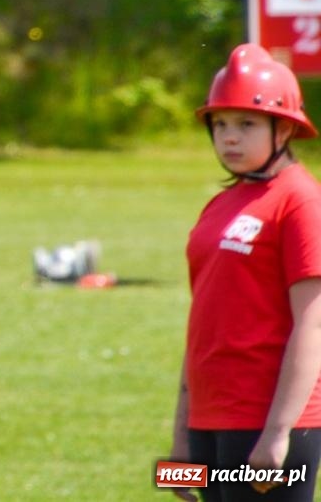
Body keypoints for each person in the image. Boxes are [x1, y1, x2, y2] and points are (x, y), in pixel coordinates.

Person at [167, 44, 321, 502]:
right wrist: (180, 441)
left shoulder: (301, 202)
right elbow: (203, 326)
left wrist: (278, 433)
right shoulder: (220, 205)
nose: (229, 138)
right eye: (220, 125)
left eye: (246, 124)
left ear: (285, 128)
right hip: (209, 424)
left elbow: (313, 324)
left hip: (268, 427)